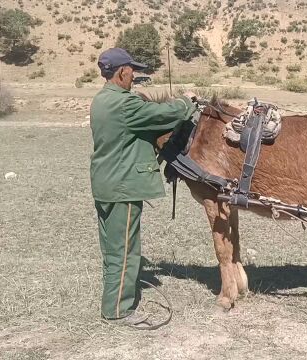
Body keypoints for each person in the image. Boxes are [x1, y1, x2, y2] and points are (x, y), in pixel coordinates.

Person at [89, 48, 196, 329]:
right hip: (123, 187)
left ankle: (114, 300)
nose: (134, 75)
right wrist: (187, 104)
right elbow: (164, 114)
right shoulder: (125, 104)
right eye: (132, 70)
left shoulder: (102, 100)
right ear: (122, 71)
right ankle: (118, 311)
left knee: (114, 250)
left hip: (107, 184)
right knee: (125, 250)